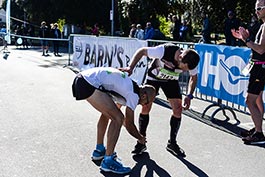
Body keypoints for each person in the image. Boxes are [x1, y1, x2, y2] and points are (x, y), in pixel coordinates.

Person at [121, 43, 200, 157]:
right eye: (184, 68)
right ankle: (141, 141)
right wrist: (131, 67)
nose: (185, 71)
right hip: (154, 78)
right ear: (180, 57)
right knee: (146, 107)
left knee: (178, 109)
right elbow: (142, 51)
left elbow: (194, 77)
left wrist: (189, 95)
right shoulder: (164, 50)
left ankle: (172, 143)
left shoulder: (191, 60)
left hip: (171, 80)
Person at [72, 67, 156, 174]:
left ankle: (99, 150)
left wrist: (124, 124)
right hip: (88, 83)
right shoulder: (133, 95)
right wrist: (140, 138)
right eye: (148, 102)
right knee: (117, 118)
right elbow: (129, 124)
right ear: (144, 95)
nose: (146, 105)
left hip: (83, 79)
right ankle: (108, 161)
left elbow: (120, 115)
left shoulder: (128, 87)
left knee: (110, 114)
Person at [231, 0, 265, 145]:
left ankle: (259, 132)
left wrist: (246, 39)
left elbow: (261, 49)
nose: (256, 11)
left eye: (259, 8)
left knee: (249, 100)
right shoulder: (263, 25)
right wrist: (245, 38)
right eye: (256, 8)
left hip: (260, 68)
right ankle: (257, 128)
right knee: (257, 99)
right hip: (258, 67)